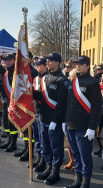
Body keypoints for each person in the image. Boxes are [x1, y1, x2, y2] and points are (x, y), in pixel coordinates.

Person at [64, 55, 102, 188]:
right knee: (75, 154)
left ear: (87, 66)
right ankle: (78, 179)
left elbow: (96, 107)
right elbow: (68, 104)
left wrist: (92, 127)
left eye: (81, 64)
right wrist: (65, 121)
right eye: (76, 64)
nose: (78, 66)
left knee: (84, 155)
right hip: (71, 125)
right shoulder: (73, 81)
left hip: (84, 127)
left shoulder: (93, 83)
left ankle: (86, 182)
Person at [33, 53, 69, 185]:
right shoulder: (45, 78)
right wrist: (29, 92)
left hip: (55, 120)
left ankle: (55, 171)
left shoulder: (63, 80)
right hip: (43, 117)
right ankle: (48, 167)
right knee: (45, 145)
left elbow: (61, 104)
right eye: (47, 61)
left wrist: (55, 120)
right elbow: (42, 97)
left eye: (50, 61)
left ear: (58, 63)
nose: (47, 62)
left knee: (56, 146)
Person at [0, 54, 18, 152]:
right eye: (6, 60)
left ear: (14, 60)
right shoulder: (6, 71)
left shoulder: (16, 72)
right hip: (6, 100)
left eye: (10, 60)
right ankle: (9, 140)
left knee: (12, 123)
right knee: (6, 122)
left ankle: (13, 143)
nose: (7, 62)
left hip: (13, 102)